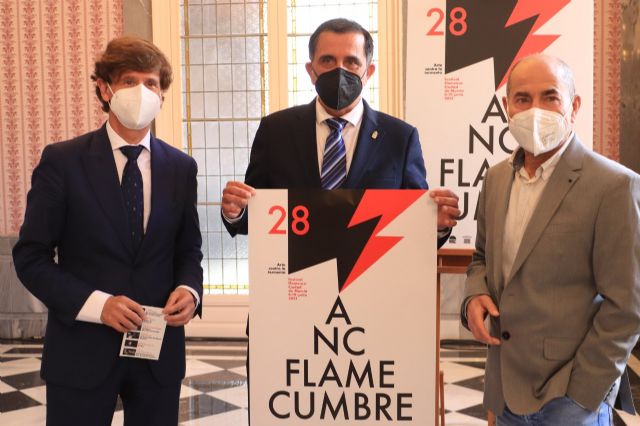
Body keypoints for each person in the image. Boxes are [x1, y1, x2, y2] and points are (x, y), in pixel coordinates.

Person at [12, 36, 203, 426]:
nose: (141, 91)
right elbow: (30, 257)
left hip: (158, 355)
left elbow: (188, 250)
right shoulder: (62, 161)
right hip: (81, 352)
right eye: (129, 80)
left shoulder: (181, 168)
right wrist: (98, 305)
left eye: (151, 83)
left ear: (162, 95)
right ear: (104, 88)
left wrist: (190, 289)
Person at [462, 53, 640, 425]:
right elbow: (481, 257)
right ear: (507, 108)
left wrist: (585, 393)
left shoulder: (614, 186)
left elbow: (627, 305)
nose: (535, 110)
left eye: (550, 97)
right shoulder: (495, 180)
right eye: (523, 99)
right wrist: (475, 295)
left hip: (570, 401)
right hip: (506, 391)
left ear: (573, 106)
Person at [221, 18, 460, 240]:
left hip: (372, 271)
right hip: (294, 270)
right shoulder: (275, 131)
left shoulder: (401, 138)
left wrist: (435, 224)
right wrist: (235, 211)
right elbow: (254, 215)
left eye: (351, 62)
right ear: (310, 71)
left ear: (369, 72)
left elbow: (415, 226)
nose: (340, 70)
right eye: (328, 60)